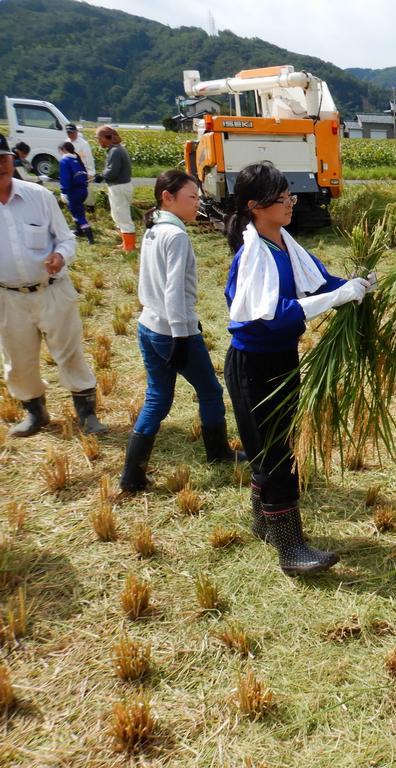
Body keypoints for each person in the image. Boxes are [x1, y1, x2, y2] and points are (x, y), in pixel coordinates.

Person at [223, 161, 370, 576]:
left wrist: (355, 285)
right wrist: (338, 298)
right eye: (282, 195)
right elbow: (275, 316)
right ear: (255, 205)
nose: (291, 201)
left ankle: (264, 524)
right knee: (277, 453)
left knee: (273, 444)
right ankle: (292, 550)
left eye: (289, 193)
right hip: (255, 366)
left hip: (279, 360)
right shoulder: (255, 252)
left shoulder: (284, 242)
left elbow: (322, 282)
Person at [119, 170, 243, 493]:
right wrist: (180, 336)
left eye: (199, 198)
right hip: (173, 331)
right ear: (167, 197)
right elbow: (173, 292)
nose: (197, 205)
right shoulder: (176, 236)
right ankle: (218, 453)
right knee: (211, 392)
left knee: (158, 398)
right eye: (192, 198)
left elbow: (152, 286)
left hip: (148, 326)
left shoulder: (154, 229)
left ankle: (132, 475)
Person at [0, 132, 107, 437]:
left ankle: (87, 415)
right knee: (18, 358)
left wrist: (60, 256)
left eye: (3, 159)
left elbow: (65, 238)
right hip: (8, 296)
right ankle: (35, 413)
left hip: (52, 290)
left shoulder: (38, 196)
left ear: (11, 159)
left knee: (70, 351)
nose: (1, 166)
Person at [94, 126, 135, 251]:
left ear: (106, 138)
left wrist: (101, 176)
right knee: (118, 216)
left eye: (99, 138)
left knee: (122, 217)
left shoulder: (115, 151)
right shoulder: (116, 149)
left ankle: (129, 247)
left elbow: (112, 172)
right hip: (120, 187)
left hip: (119, 187)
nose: (98, 141)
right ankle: (125, 243)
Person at [57, 142, 93, 244]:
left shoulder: (65, 161)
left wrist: (64, 191)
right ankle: (79, 230)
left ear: (63, 150)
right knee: (76, 210)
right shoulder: (77, 159)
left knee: (78, 214)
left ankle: (90, 237)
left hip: (73, 191)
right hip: (83, 190)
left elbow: (65, 178)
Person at [64, 124, 96, 208]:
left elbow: (88, 158)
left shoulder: (83, 144)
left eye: (72, 132)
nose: (70, 134)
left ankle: (90, 208)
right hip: (71, 172)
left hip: (83, 171)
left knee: (87, 192)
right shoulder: (66, 142)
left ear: (76, 132)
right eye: (68, 133)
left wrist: (91, 172)